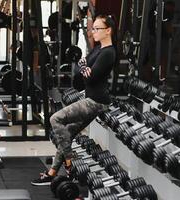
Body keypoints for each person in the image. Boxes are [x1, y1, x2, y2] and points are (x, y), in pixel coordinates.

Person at [31, 14, 117, 186]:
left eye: (97, 29)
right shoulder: (98, 49)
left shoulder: (108, 53)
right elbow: (82, 65)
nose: (93, 32)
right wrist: (86, 68)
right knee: (66, 134)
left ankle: (69, 162)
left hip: (97, 101)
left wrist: (85, 69)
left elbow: (90, 77)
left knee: (55, 119)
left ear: (108, 31)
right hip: (90, 98)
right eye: (93, 29)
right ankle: (52, 173)